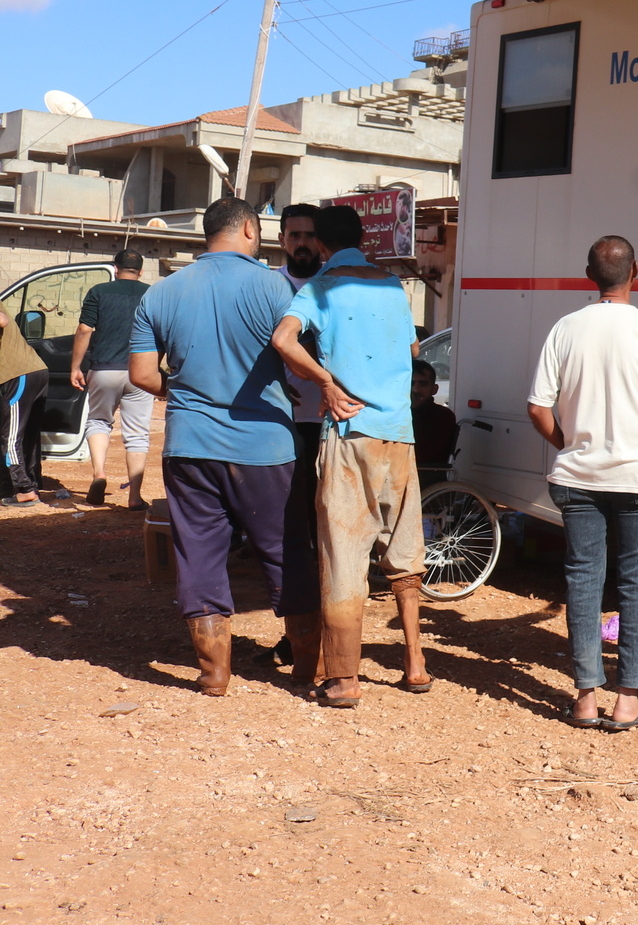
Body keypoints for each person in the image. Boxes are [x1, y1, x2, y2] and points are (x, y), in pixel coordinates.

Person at [127, 197, 320, 694]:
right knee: (286, 551)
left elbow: (143, 375)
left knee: (198, 554)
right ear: (252, 231)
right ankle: (304, 666)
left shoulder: (161, 293)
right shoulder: (278, 287)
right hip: (266, 449)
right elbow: (300, 356)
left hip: (189, 445)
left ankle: (214, 674)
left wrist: (187, 392)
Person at [527, 235, 638, 730]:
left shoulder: (565, 329)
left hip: (578, 478)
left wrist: (571, 445)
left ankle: (584, 697)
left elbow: (537, 407)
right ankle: (628, 699)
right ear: (635, 270)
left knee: (583, 581)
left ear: (588, 273)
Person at [271, 204, 430, 708]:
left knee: (344, 554)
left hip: (348, 431)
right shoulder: (392, 286)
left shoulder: (319, 287)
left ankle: (343, 678)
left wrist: (325, 382)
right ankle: (416, 663)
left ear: (319, 244)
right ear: (364, 239)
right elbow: (412, 351)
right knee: (403, 554)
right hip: (399, 434)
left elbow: (283, 339)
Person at [270, 204, 326, 668]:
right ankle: (301, 630)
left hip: (332, 422)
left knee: (324, 529)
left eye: (310, 235)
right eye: (295, 235)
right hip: (282, 426)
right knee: (292, 531)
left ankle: (325, 630)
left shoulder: (337, 285)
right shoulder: (269, 285)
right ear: (282, 239)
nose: (302, 242)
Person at [70, 249, 153, 508]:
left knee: (98, 421)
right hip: (141, 372)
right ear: (140, 271)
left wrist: (75, 366)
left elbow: (85, 329)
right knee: (137, 434)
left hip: (104, 369)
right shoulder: (152, 293)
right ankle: (134, 496)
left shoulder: (99, 291)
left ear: (115, 268)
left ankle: (99, 474)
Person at [0, 306, 49, 509]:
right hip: (35, 370)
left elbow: (2, 320)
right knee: (27, 434)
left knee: (10, 436)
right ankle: (30, 482)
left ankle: (24, 490)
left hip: (17, 373)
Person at [411, 359, 458, 488]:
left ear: (434, 389)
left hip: (423, 474)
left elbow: (423, 454)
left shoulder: (443, 416)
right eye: (411, 383)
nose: (416, 389)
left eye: (423, 384)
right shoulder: (400, 413)